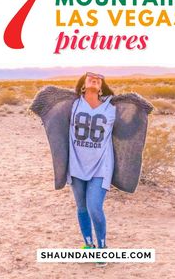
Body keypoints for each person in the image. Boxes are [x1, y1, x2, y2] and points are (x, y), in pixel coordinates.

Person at [66, 72, 115, 266]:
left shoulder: (112, 108)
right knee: (82, 207)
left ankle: (102, 248)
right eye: (90, 77)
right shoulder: (73, 105)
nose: (94, 79)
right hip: (76, 164)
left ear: (101, 85)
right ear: (83, 85)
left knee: (95, 206)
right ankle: (88, 246)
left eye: (99, 78)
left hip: (101, 166)